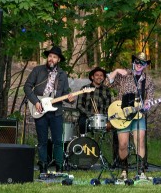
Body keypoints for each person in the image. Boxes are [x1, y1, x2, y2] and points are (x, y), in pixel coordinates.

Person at [24, 44, 76, 173]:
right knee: (42, 141)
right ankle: (43, 165)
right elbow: (27, 87)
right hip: (40, 109)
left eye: (54, 57)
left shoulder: (62, 75)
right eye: (50, 56)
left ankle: (59, 166)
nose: (51, 59)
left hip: (56, 112)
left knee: (58, 140)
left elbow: (64, 93)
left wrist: (69, 98)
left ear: (58, 60)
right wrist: (36, 102)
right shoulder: (38, 70)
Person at [107, 52, 155, 180]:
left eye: (143, 63)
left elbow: (150, 98)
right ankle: (124, 170)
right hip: (122, 113)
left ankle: (141, 171)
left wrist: (147, 104)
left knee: (140, 141)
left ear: (145, 65)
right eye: (137, 62)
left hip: (138, 115)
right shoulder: (124, 75)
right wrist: (116, 70)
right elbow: (107, 83)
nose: (139, 65)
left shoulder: (148, 80)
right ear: (134, 62)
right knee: (123, 143)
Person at [76, 66, 113, 135]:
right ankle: (83, 141)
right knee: (82, 122)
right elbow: (79, 105)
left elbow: (109, 107)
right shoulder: (84, 88)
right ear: (92, 77)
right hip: (87, 117)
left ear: (104, 78)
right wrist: (91, 115)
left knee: (114, 127)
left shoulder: (107, 90)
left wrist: (108, 119)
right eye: (97, 75)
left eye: (101, 75)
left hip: (102, 118)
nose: (99, 77)